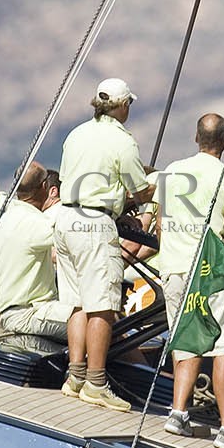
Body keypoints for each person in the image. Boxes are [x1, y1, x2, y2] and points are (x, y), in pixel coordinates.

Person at [153, 114, 224, 448]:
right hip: (211, 271)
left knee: (185, 339)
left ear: (196, 137)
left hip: (174, 267)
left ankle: (178, 413)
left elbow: (162, 225)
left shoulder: (170, 171)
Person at [54, 77, 153, 411]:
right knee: (102, 305)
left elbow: (70, 179)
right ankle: (96, 383)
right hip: (95, 225)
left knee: (77, 302)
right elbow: (140, 192)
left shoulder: (76, 133)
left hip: (66, 218)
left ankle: (75, 377)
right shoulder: (122, 141)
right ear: (123, 105)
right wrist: (157, 190)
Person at [0, 162, 73, 340]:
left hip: (14, 312)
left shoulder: (7, 217)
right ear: (45, 186)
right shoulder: (34, 223)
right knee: (98, 323)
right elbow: (73, 235)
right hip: (28, 313)